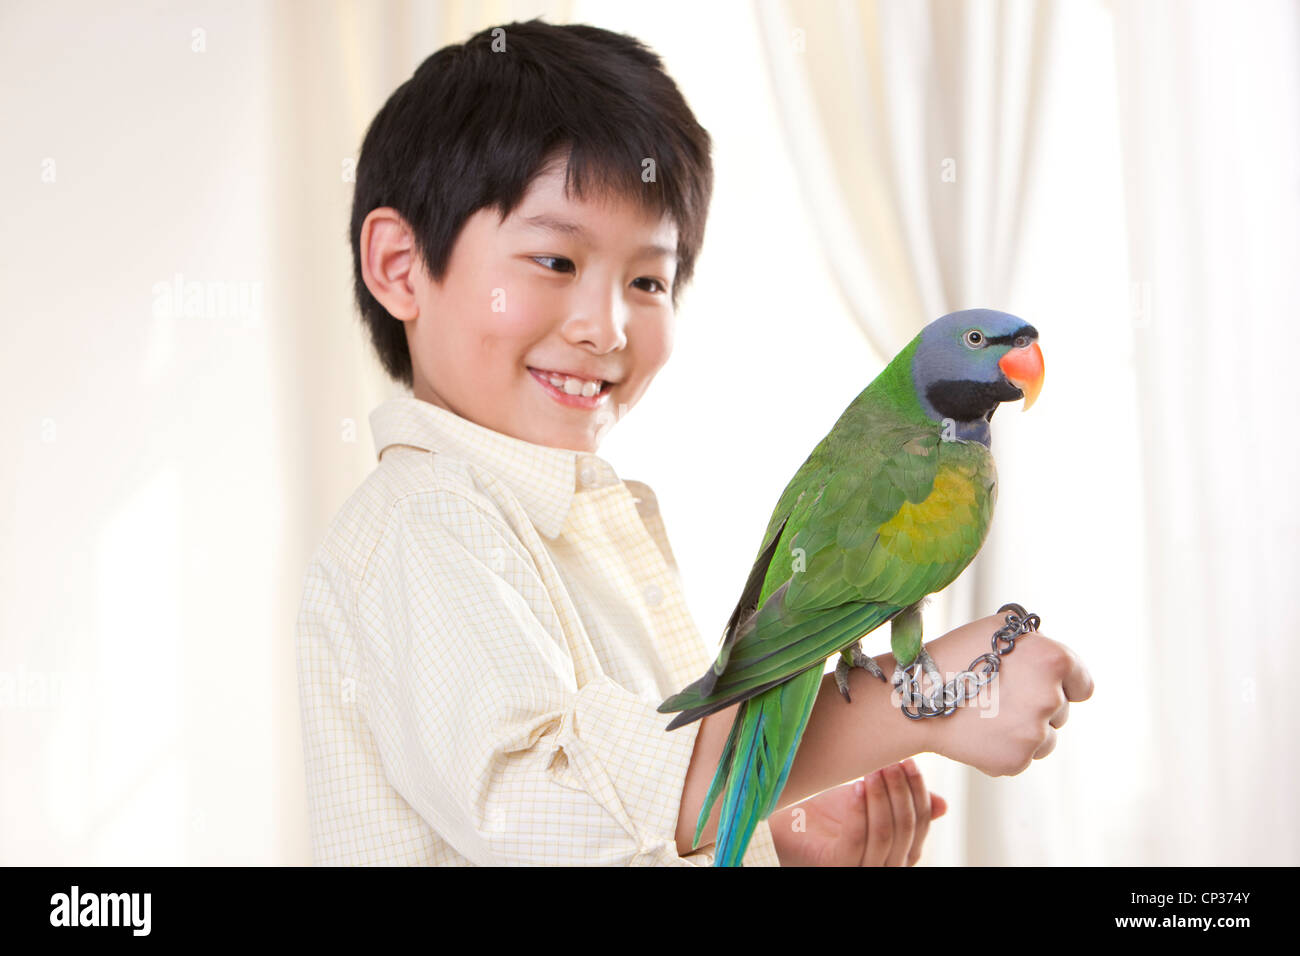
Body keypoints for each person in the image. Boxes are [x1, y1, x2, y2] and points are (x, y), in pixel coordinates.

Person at [295, 18, 1092, 867]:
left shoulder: (594, 528)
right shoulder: (422, 525)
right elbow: (546, 814)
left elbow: (640, 827)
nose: (604, 327)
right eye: (556, 263)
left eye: (647, 280)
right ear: (400, 265)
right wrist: (920, 702)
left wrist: (773, 844)